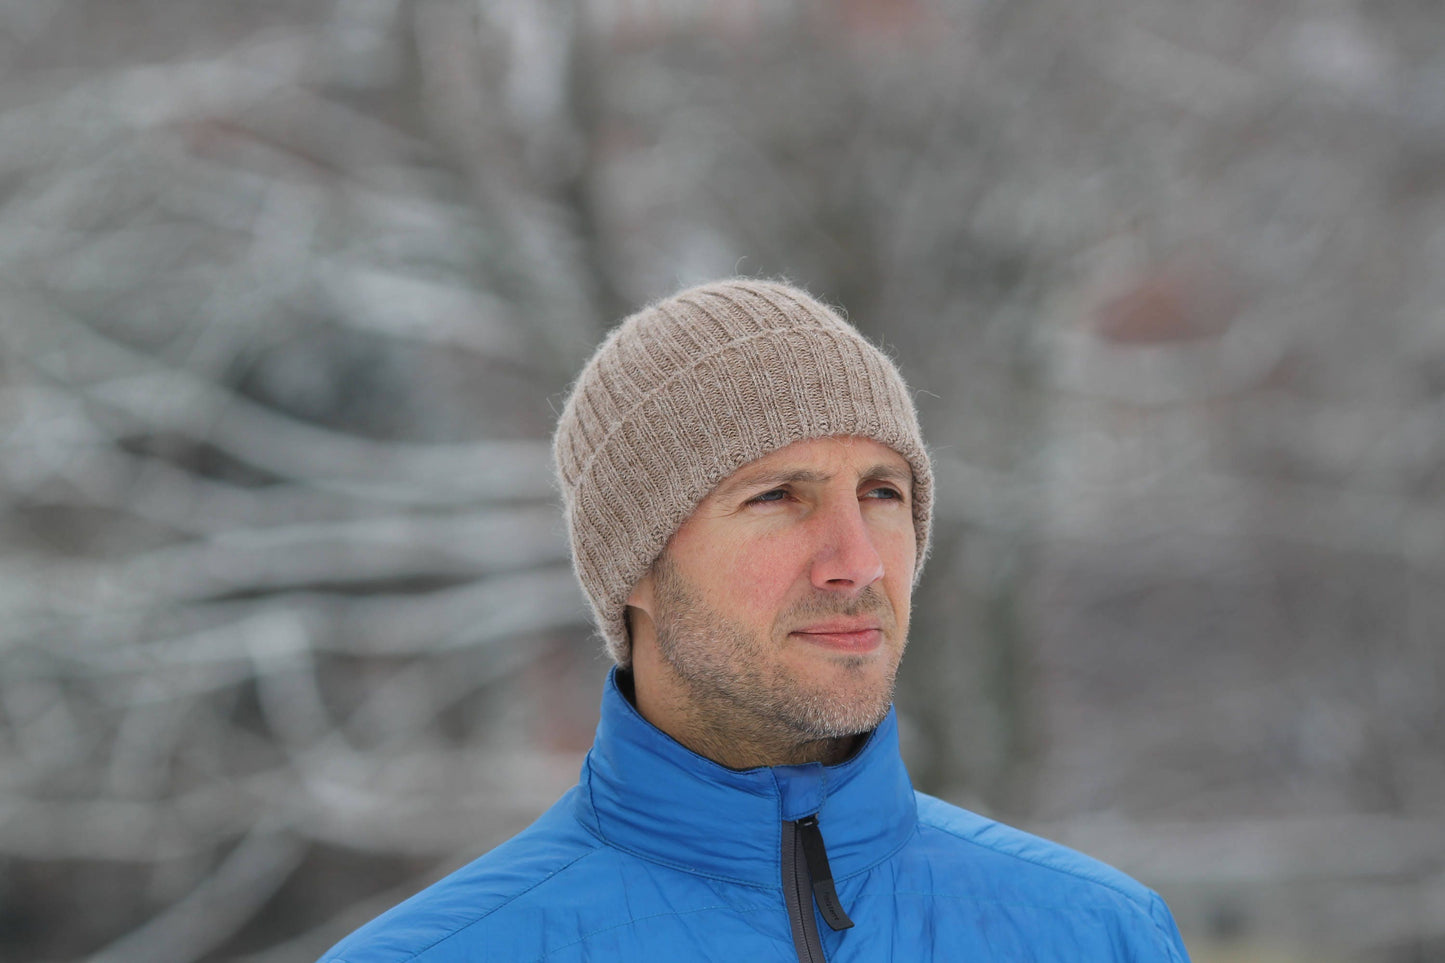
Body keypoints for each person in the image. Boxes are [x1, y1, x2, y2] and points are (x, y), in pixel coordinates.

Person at [318, 279, 1192, 962]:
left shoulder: (1099, 938)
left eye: (881, 493)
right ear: (637, 566)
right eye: (779, 496)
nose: (857, 560)